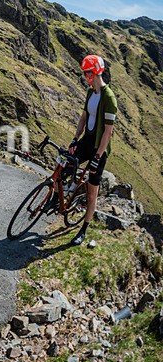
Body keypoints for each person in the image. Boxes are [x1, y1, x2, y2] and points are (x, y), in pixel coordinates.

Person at [67, 55, 118, 246]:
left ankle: (83, 230)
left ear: (95, 72)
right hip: (86, 141)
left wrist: (97, 157)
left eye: (87, 72)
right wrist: (74, 139)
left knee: (91, 193)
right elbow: (83, 117)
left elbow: (108, 132)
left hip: (99, 148)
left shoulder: (109, 98)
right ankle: (61, 197)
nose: (85, 76)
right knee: (65, 165)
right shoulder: (90, 93)